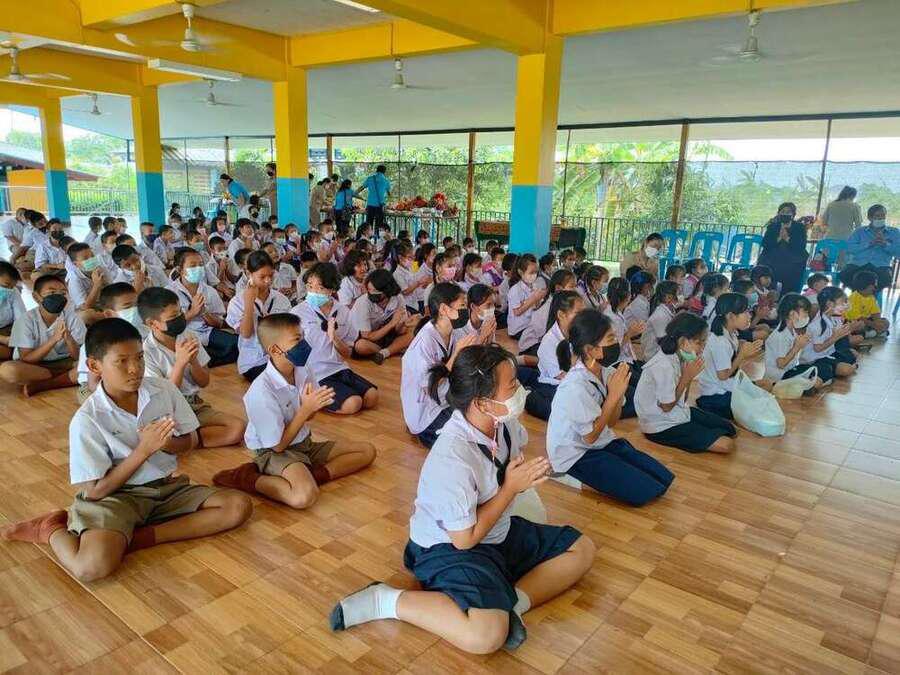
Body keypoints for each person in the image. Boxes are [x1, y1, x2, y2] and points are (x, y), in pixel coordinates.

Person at [331, 344, 594, 653]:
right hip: (449, 547)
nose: (520, 391)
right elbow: (464, 540)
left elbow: (511, 463)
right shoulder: (452, 455)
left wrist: (532, 474)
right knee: (485, 636)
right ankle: (385, 600)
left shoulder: (503, 423)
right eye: (512, 385)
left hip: (495, 529)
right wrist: (511, 488)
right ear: (482, 402)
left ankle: (514, 606)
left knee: (582, 549)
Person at [0, 318, 252, 581]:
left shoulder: (163, 389)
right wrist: (144, 451)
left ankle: (136, 538)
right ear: (94, 366)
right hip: (115, 497)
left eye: (140, 358)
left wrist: (168, 444)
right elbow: (95, 491)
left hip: (165, 488)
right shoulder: (88, 419)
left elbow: (190, 442)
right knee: (90, 568)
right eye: (121, 361)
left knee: (237, 506)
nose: (135, 369)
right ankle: (51, 529)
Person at [212, 313, 376, 509]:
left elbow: (310, 415)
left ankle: (313, 475)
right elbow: (278, 446)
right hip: (274, 452)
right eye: (297, 340)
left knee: (367, 451)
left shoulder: (302, 369)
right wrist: (305, 410)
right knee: (303, 497)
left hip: (303, 444)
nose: (304, 344)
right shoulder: (260, 392)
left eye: (303, 336)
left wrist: (312, 407)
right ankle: (247, 477)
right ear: (275, 350)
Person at [547, 309, 673, 505]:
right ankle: (566, 476)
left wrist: (618, 395)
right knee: (643, 491)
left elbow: (612, 422)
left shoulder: (605, 372)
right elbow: (589, 437)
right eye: (611, 338)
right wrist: (613, 396)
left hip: (600, 441)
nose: (616, 343)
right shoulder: (574, 386)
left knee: (661, 479)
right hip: (576, 454)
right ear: (590, 350)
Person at [137, 287, 245, 448]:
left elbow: (204, 382)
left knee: (238, 428)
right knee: (159, 436)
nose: (180, 318)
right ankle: (185, 439)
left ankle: (187, 440)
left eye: (180, 312)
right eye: (173, 317)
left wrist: (194, 361)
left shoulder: (188, 336)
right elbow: (165, 397)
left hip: (194, 405)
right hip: (168, 411)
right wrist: (180, 363)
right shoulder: (147, 352)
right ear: (152, 323)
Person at [635, 312, 737, 453]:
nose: (703, 347)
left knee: (730, 429)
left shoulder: (681, 357)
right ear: (683, 342)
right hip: (660, 425)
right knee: (727, 445)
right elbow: (666, 407)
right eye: (699, 342)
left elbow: (683, 399)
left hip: (678, 411)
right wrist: (687, 377)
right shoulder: (663, 365)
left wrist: (688, 376)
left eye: (704, 342)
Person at [292, 263, 379, 415]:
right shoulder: (297, 313)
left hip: (339, 367)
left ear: (331, 289)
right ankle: (312, 398)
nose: (313, 292)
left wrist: (334, 338)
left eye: (319, 288)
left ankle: (334, 394)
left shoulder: (343, 311)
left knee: (372, 397)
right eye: (309, 286)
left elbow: (347, 353)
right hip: (315, 373)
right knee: (353, 404)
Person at [401, 283, 477, 448]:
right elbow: (431, 384)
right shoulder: (423, 343)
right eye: (462, 305)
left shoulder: (454, 332)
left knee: (480, 423)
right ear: (443, 309)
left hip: (447, 398)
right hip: (427, 411)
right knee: (460, 444)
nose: (466, 310)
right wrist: (456, 354)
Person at [0, 274, 84, 396]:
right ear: (36, 297)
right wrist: (54, 339)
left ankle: (47, 383)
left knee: (93, 364)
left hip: (66, 363)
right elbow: (26, 358)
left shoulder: (72, 317)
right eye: (51, 293)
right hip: (36, 366)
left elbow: (78, 356)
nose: (58, 297)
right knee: (8, 370)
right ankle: (67, 377)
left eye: (63, 293)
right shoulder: (26, 320)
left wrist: (69, 339)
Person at [225, 250, 293, 381]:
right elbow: (246, 333)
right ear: (249, 274)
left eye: (271, 275)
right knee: (283, 377)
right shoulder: (237, 302)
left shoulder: (281, 299)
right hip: (253, 361)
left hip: (280, 354)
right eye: (262, 277)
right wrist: (249, 303)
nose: (268, 281)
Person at [696, 293, 765, 420]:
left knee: (765, 385)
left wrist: (742, 350)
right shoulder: (720, 341)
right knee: (758, 407)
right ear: (731, 316)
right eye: (745, 312)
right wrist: (742, 355)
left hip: (726, 387)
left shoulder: (731, 334)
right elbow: (723, 376)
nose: (749, 315)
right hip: (714, 396)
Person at [524, 290, 583, 421]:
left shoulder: (579, 334)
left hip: (576, 382)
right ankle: (531, 397)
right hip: (555, 385)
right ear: (561, 315)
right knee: (570, 413)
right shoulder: (549, 341)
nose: (584, 318)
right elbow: (562, 376)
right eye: (578, 313)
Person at [348, 268, 416, 365]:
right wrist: (392, 323)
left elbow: (400, 331)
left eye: (375, 291)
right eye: (369, 290)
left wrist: (404, 323)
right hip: (364, 337)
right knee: (361, 346)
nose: (371, 294)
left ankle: (384, 353)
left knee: (413, 331)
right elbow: (367, 336)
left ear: (387, 290)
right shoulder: (363, 303)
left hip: (383, 333)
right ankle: (391, 350)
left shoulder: (397, 298)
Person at [765, 293, 825, 389]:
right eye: (805, 313)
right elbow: (781, 364)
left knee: (819, 374)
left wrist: (802, 344)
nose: (807, 316)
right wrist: (797, 347)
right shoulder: (779, 335)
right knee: (816, 382)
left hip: (789, 370)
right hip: (778, 375)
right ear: (792, 314)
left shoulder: (793, 331)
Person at [799, 286, 858, 380]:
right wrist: (836, 336)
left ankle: (833, 369)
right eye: (843, 302)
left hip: (828, 354)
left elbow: (840, 339)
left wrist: (849, 329)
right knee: (846, 369)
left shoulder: (835, 318)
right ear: (829, 304)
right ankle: (828, 370)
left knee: (853, 354)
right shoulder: (817, 324)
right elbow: (818, 348)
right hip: (814, 359)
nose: (846, 305)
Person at [843, 204, 900, 292]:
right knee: (845, 275)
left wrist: (885, 244)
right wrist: (868, 244)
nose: (880, 218)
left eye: (883, 215)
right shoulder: (860, 231)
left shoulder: (894, 232)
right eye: (877, 216)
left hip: (881, 266)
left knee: (884, 279)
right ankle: (858, 295)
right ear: (870, 218)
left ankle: (868, 296)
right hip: (858, 264)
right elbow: (849, 248)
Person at [758, 202, 809, 293]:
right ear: (778, 213)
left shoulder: (799, 227)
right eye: (783, 211)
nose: (785, 214)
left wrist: (787, 238)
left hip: (793, 260)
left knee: (792, 269)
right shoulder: (773, 226)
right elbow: (765, 244)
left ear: (793, 214)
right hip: (772, 259)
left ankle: (789, 294)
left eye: (788, 212)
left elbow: (801, 246)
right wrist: (778, 238)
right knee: (766, 266)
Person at [506, 254, 547, 341]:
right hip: (519, 329)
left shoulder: (535, 286)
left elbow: (536, 307)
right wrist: (533, 299)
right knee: (538, 340)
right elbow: (517, 312)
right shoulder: (515, 290)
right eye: (531, 272)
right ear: (521, 272)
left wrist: (540, 299)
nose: (534, 275)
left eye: (536, 272)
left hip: (530, 324)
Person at [640, 281, 679, 361]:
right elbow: (665, 343)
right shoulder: (660, 316)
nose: (680, 297)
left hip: (661, 353)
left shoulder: (669, 310)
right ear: (668, 297)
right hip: (653, 357)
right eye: (678, 294)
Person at [845, 270, 890, 337]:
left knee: (886, 322)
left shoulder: (871, 297)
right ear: (864, 285)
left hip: (868, 321)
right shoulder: (852, 299)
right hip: (854, 320)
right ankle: (867, 333)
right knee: (860, 325)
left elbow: (876, 312)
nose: (875, 288)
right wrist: (873, 324)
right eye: (874, 285)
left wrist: (878, 322)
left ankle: (873, 332)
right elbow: (858, 318)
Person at [0, 261, 26, 363]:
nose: (9, 289)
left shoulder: (13, 292)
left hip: (8, 329)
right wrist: (3, 339)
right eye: (6, 285)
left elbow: (20, 317)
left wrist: (18, 335)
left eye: (12, 286)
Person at [355, 165, 391, 229]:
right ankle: (377, 234)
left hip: (370, 204)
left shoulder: (370, 178)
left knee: (369, 224)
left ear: (376, 170)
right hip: (380, 205)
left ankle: (368, 234)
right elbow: (389, 194)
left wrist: (355, 193)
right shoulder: (386, 181)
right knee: (379, 225)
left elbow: (362, 187)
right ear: (384, 171)